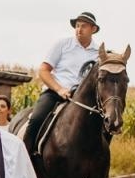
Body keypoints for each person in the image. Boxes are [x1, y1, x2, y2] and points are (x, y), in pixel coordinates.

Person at [21, 11, 100, 156]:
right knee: (36, 119)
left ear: (93, 29)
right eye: (77, 26)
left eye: (83, 26)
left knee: (105, 126)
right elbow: (44, 71)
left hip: (84, 100)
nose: (79, 30)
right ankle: (24, 159)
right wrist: (59, 89)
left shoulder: (98, 52)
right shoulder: (62, 44)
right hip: (56, 93)